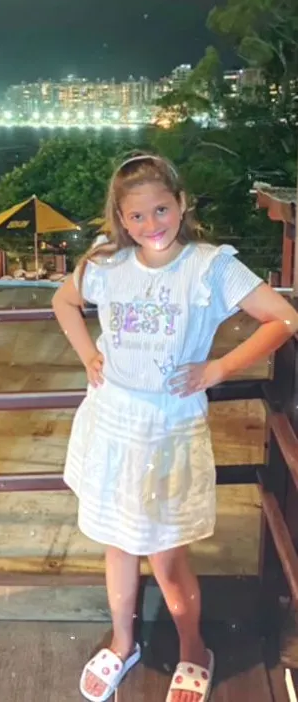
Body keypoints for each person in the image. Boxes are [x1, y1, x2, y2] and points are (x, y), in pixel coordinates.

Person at [52, 153, 298, 702]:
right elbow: (64, 301)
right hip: (113, 420)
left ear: (182, 204)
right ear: (119, 217)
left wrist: (218, 368)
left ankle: (194, 649)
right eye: (136, 216)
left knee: (165, 555)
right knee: (116, 543)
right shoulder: (107, 264)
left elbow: (284, 318)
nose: (151, 224)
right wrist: (88, 353)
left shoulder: (209, 266)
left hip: (168, 430)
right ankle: (123, 642)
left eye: (161, 209)